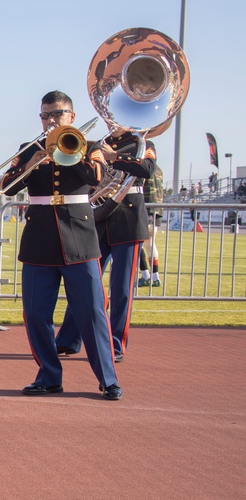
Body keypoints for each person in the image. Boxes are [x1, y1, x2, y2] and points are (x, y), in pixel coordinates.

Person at [0, 91, 122, 400]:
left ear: (72, 116)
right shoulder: (29, 148)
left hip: (79, 238)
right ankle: (49, 375)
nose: (51, 120)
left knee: (91, 312)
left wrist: (74, 149)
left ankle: (108, 378)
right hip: (40, 238)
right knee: (36, 314)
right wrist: (34, 160)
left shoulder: (90, 146)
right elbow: (7, 186)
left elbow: (96, 178)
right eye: (45, 115)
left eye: (57, 114)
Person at [57, 129, 154, 363]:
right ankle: (70, 339)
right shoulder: (98, 143)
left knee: (121, 289)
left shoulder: (142, 143)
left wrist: (114, 158)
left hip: (129, 220)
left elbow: (147, 169)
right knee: (85, 284)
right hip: (99, 219)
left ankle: (116, 343)